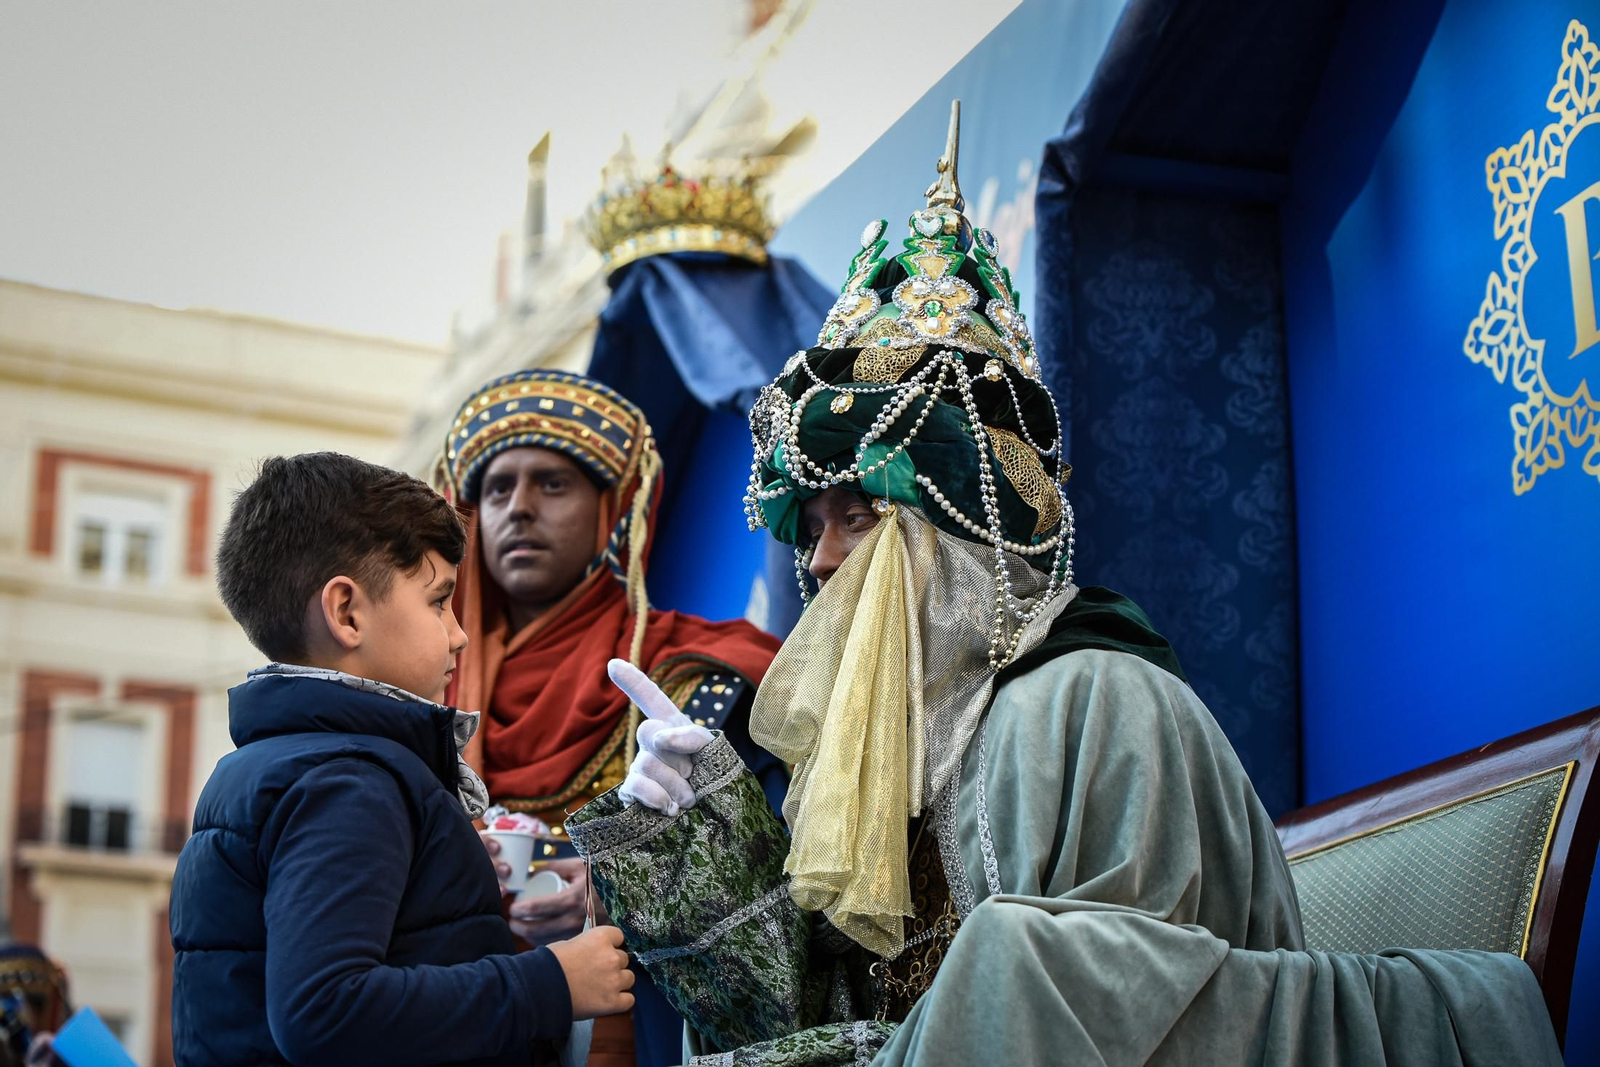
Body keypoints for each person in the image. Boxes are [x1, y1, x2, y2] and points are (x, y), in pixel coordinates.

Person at [566, 105, 1565, 1065]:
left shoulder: (1097, 700)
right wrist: (707, 848)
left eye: (859, 516)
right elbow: (823, 1020)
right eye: (811, 527)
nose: (821, 560)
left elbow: (1115, 1014)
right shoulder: (881, 754)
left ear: (955, 525)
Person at [169, 453, 633, 1067]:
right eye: (438, 601)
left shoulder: (283, 765)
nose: (458, 633)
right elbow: (325, 1009)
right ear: (347, 613)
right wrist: (551, 983)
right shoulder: (347, 780)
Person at [438, 370, 786, 1067]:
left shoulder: (693, 671)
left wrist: (615, 891)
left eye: (553, 484)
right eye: (497, 489)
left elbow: (774, 877)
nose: (520, 509)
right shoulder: (428, 687)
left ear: (612, 507)